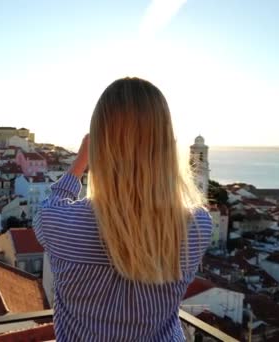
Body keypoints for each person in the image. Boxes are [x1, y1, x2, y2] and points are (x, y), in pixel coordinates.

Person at [34, 77, 212, 341]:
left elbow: (50, 205)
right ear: (166, 146)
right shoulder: (197, 225)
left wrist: (81, 162)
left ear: (98, 147)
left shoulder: (59, 223)